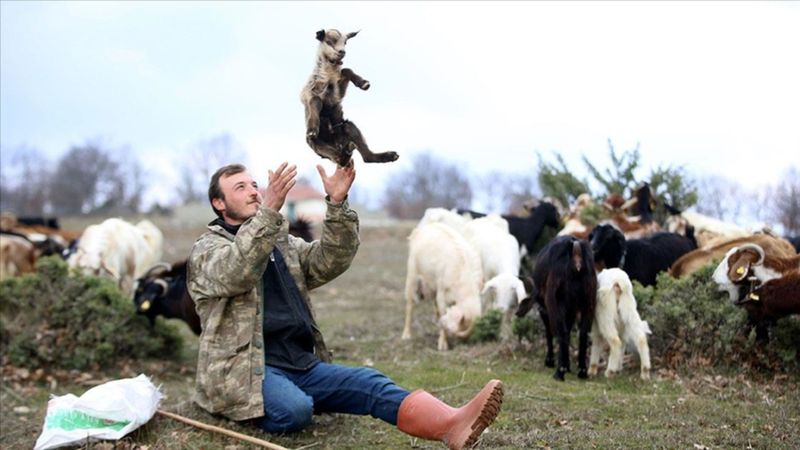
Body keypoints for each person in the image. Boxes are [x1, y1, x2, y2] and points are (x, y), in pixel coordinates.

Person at [187, 160, 504, 449]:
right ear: (219, 203)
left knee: (370, 382)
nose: (254, 192)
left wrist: (336, 206)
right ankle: (235, 404)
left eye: (254, 185)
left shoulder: (278, 241)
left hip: (300, 363)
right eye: (240, 188)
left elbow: (328, 261)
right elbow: (236, 272)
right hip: (246, 373)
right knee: (295, 410)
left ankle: (452, 425)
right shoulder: (208, 249)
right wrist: (268, 214)